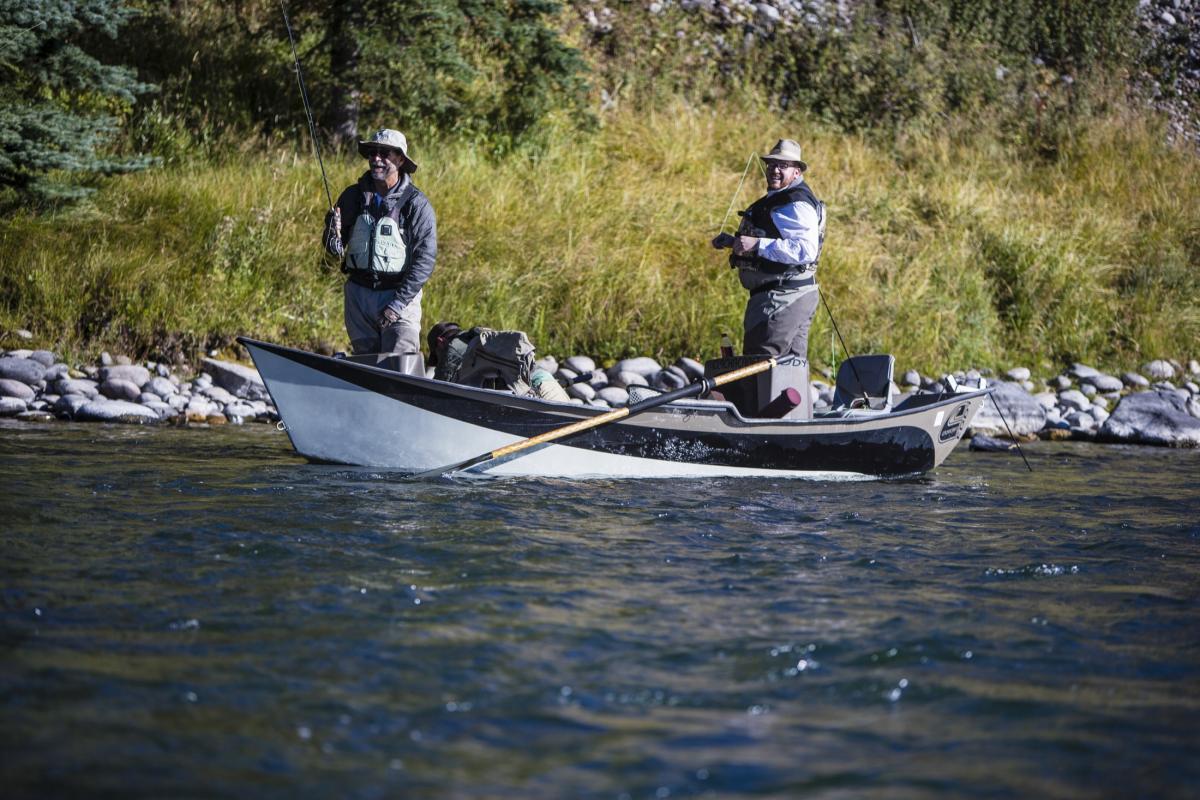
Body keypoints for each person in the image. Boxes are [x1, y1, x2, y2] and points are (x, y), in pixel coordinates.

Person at [324, 129, 437, 355]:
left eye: (385, 154)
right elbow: (334, 247)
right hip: (359, 297)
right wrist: (331, 237)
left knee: (400, 364)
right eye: (372, 153)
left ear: (401, 160)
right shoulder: (351, 196)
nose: (376, 159)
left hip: (399, 296)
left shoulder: (417, 204)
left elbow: (425, 260)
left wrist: (396, 306)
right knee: (367, 366)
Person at [711, 138, 825, 362]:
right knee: (790, 370)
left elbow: (805, 250)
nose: (775, 169)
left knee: (761, 366)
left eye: (783, 165)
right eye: (771, 164)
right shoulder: (780, 198)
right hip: (787, 297)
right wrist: (732, 241)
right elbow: (776, 237)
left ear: (796, 171)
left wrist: (756, 245)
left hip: (782, 300)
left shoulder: (796, 203)